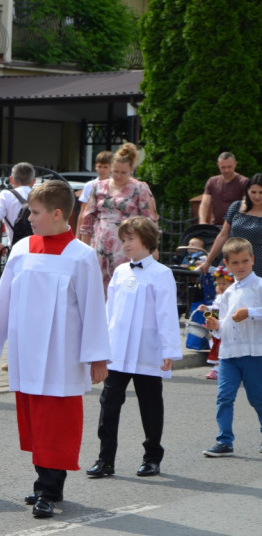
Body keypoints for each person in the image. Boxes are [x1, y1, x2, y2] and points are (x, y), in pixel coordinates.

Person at [0, 180, 110, 519]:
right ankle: (43, 483)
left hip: (62, 356)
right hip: (26, 351)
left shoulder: (81, 256)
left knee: (56, 421)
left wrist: (96, 358)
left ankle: (50, 491)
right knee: (36, 418)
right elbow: (2, 300)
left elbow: (94, 309)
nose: (29, 219)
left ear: (57, 214)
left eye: (34, 213)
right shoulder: (21, 249)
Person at [88, 217, 182, 479]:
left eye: (131, 239)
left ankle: (152, 457)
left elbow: (166, 315)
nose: (125, 244)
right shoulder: (119, 271)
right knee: (109, 404)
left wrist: (168, 350)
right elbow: (110, 312)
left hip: (147, 351)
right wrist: (100, 347)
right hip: (117, 352)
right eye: (124, 239)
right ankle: (105, 459)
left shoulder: (162, 274)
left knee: (150, 405)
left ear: (147, 241)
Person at [201, 237, 262, 458]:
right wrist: (215, 325)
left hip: (254, 352)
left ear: (253, 259)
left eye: (245, 260)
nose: (241, 266)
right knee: (224, 397)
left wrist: (250, 312)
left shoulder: (259, 285)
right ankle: (224, 440)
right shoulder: (227, 293)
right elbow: (223, 324)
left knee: (257, 398)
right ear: (227, 265)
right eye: (235, 262)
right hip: (228, 353)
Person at [79, 142, 158, 289]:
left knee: (123, 283)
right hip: (100, 243)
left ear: (131, 170)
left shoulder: (139, 188)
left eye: (123, 172)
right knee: (97, 285)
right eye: (115, 171)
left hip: (126, 244)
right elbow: (88, 219)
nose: (118, 176)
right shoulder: (98, 187)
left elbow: (149, 219)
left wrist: (152, 248)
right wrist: (84, 247)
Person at [203, 174, 262, 276]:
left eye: (261, 192)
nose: (257, 196)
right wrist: (208, 260)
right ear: (247, 191)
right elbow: (223, 235)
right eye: (253, 192)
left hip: (257, 265)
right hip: (231, 261)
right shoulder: (236, 206)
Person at [0, 162, 36, 256]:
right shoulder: (40, 195)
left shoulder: (5, 195)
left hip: (16, 250)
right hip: (38, 249)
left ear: (11, 179)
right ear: (33, 181)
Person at [199, 152, 249, 227]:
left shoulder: (244, 182)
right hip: (216, 225)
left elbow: (245, 204)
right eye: (223, 167)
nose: (226, 170)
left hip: (236, 226)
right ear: (218, 165)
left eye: (229, 167)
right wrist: (202, 221)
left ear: (235, 164)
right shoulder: (212, 181)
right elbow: (204, 203)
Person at [204, 265, 233, 380]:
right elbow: (216, 310)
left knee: (220, 348)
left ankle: (217, 370)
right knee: (216, 346)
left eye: (224, 284)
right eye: (219, 284)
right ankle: (219, 369)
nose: (220, 286)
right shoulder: (219, 297)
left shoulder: (230, 297)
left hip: (225, 326)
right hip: (217, 326)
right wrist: (207, 308)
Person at [77, 151, 114, 226]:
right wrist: (78, 236)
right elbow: (82, 212)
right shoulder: (89, 185)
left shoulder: (114, 186)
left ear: (111, 168)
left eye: (105, 167)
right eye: (100, 166)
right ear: (96, 166)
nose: (102, 170)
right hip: (91, 225)